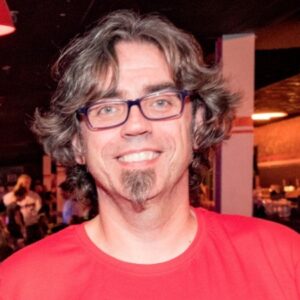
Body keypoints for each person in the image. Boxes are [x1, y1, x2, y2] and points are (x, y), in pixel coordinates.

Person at [0, 10, 299, 299]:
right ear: (78, 143)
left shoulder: (286, 259)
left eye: (160, 102)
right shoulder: (17, 285)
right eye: (107, 109)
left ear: (195, 124)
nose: (136, 125)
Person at [2, 174, 43, 245]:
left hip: (33, 225)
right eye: (25, 182)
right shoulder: (10, 196)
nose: (27, 185)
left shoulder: (34, 196)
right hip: (18, 228)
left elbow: (38, 208)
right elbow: (6, 212)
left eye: (29, 182)